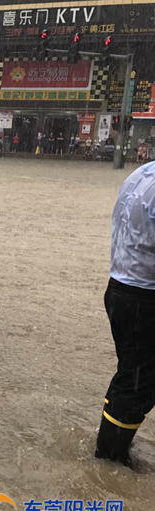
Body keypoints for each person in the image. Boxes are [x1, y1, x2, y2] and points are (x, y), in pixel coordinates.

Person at [94, 162, 155, 467]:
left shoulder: (142, 173)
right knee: (136, 382)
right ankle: (110, 460)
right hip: (143, 297)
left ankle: (115, 447)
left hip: (122, 287)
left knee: (135, 376)